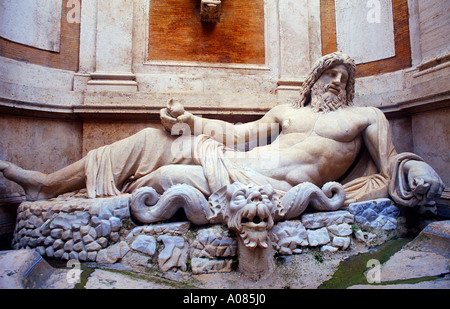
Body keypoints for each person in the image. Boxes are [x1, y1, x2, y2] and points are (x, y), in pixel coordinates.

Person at [0, 52, 444, 207]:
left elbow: (393, 164)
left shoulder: (364, 117)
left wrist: (419, 173)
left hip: (270, 187)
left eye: (345, 77)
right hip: (235, 160)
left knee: (163, 180)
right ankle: (48, 185)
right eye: (330, 74)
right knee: (151, 140)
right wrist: (192, 121)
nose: (337, 81)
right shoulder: (286, 112)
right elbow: (237, 133)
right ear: (313, 81)